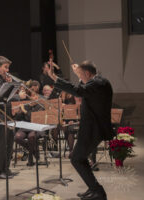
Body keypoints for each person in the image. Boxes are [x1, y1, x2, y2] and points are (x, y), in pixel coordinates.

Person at [46, 60, 113, 200]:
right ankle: (93, 188)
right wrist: (77, 74)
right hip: (91, 128)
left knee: (76, 158)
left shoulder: (98, 83)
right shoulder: (96, 82)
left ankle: (98, 192)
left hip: (93, 129)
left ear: (88, 73)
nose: (79, 77)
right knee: (79, 158)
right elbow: (83, 87)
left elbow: (78, 91)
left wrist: (54, 77)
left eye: (81, 74)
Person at [0, 56, 26, 179]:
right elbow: (2, 96)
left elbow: (5, 94)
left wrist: (7, 83)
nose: (7, 70)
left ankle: (5, 169)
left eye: (8, 67)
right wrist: (19, 96)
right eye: (5, 67)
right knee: (2, 143)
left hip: (5, 113)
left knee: (9, 142)